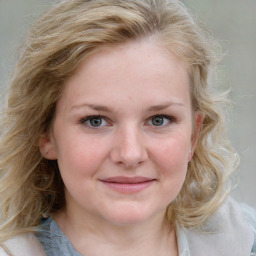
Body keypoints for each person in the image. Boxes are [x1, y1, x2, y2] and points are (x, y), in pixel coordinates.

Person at [0, 0, 255, 255]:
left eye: (159, 120)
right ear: (45, 134)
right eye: (95, 121)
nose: (130, 155)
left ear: (193, 135)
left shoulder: (245, 241)